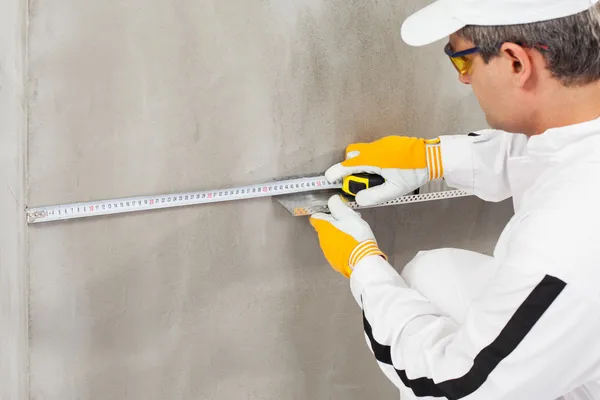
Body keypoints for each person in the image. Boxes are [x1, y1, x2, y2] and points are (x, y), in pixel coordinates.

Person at [308, 0, 600, 399]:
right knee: (434, 276)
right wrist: (430, 158)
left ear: (517, 62)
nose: (464, 80)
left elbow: (457, 387)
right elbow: (549, 152)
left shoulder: (567, 232)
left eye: (462, 60)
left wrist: (367, 271)